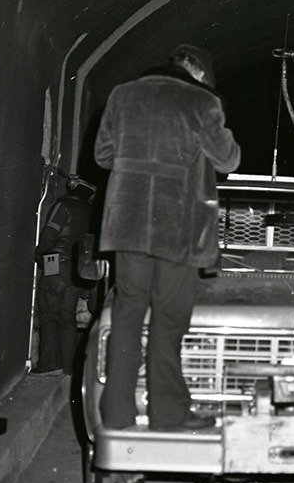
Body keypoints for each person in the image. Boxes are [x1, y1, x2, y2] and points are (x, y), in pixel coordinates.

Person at [93, 44, 241, 432]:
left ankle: (117, 414)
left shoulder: (123, 94)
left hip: (127, 226)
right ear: (199, 72)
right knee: (168, 322)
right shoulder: (202, 101)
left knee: (127, 316)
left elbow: (103, 156)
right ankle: (167, 414)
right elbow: (228, 160)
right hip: (178, 231)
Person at [33, 175, 97, 375]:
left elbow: (49, 235)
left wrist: (38, 253)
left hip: (55, 264)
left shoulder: (63, 206)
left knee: (48, 315)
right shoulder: (91, 212)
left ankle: (49, 365)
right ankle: (67, 367)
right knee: (67, 318)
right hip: (76, 272)